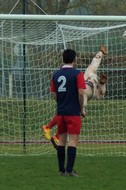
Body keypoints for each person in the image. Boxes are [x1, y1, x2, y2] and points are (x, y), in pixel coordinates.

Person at [42, 45, 107, 149]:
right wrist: (101, 53)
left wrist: (103, 84)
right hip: (83, 91)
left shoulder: (96, 86)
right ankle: (54, 132)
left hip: (82, 93)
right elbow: (96, 61)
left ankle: (52, 131)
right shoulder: (88, 73)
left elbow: (100, 95)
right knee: (72, 115)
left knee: (66, 114)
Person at [50, 48, 86, 177]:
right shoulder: (77, 74)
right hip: (73, 112)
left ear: (63, 59)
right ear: (74, 59)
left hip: (60, 112)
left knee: (61, 140)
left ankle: (61, 170)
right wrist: (81, 108)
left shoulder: (56, 74)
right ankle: (69, 170)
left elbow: (54, 94)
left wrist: (61, 102)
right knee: (73, 140)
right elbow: (81, 93)